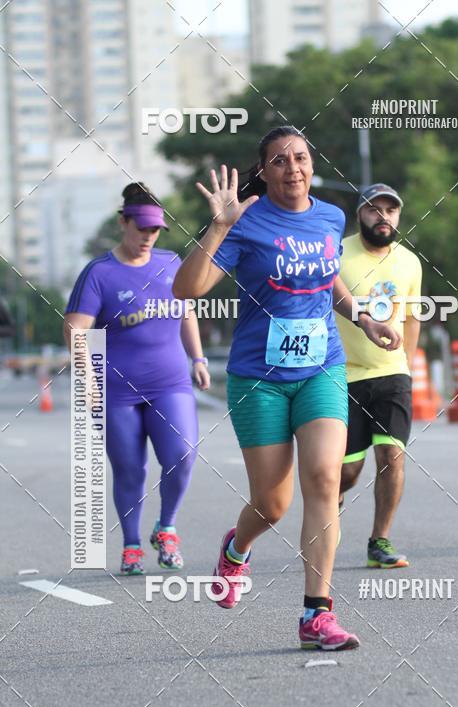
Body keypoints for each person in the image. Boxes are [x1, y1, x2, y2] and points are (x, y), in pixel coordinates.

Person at [173, 126, 400, 650]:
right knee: (271, 505)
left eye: (301, 157)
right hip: (259, 378)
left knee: (323, 480)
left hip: (322, 368)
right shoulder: (245, 221)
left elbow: (328, 278)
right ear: (265, 172)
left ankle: (316, 614)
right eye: (280, 160)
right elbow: (187, 289)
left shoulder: (329, 217)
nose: (293, 168)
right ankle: (236, 549)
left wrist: (362, 317)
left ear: (311, 164)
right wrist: (218, 227)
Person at [64, 182, 209, 575]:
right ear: (123, 222)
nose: (148, 236)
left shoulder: (170, 262)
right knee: (130, 469)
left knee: (182, 454)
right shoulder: (99, 273)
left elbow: (186, 311)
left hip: (170, 383)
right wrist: (89, 380)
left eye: (155, 229)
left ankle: (166, 527)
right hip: (116, 391)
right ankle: (131, 544)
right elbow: (77, 329)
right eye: (141, 227)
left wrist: (197, 357)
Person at [335, 184, 422, 568]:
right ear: (360, 215)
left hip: (392, 374)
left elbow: (412, 316)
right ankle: (328, 503)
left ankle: (379, 542)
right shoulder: (337, 253)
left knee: (392, 456)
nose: (383, 216)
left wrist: (407, 365)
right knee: (349, 471)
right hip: (343, 375)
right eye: (374, 209)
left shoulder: (409, 262)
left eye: (391, 210)